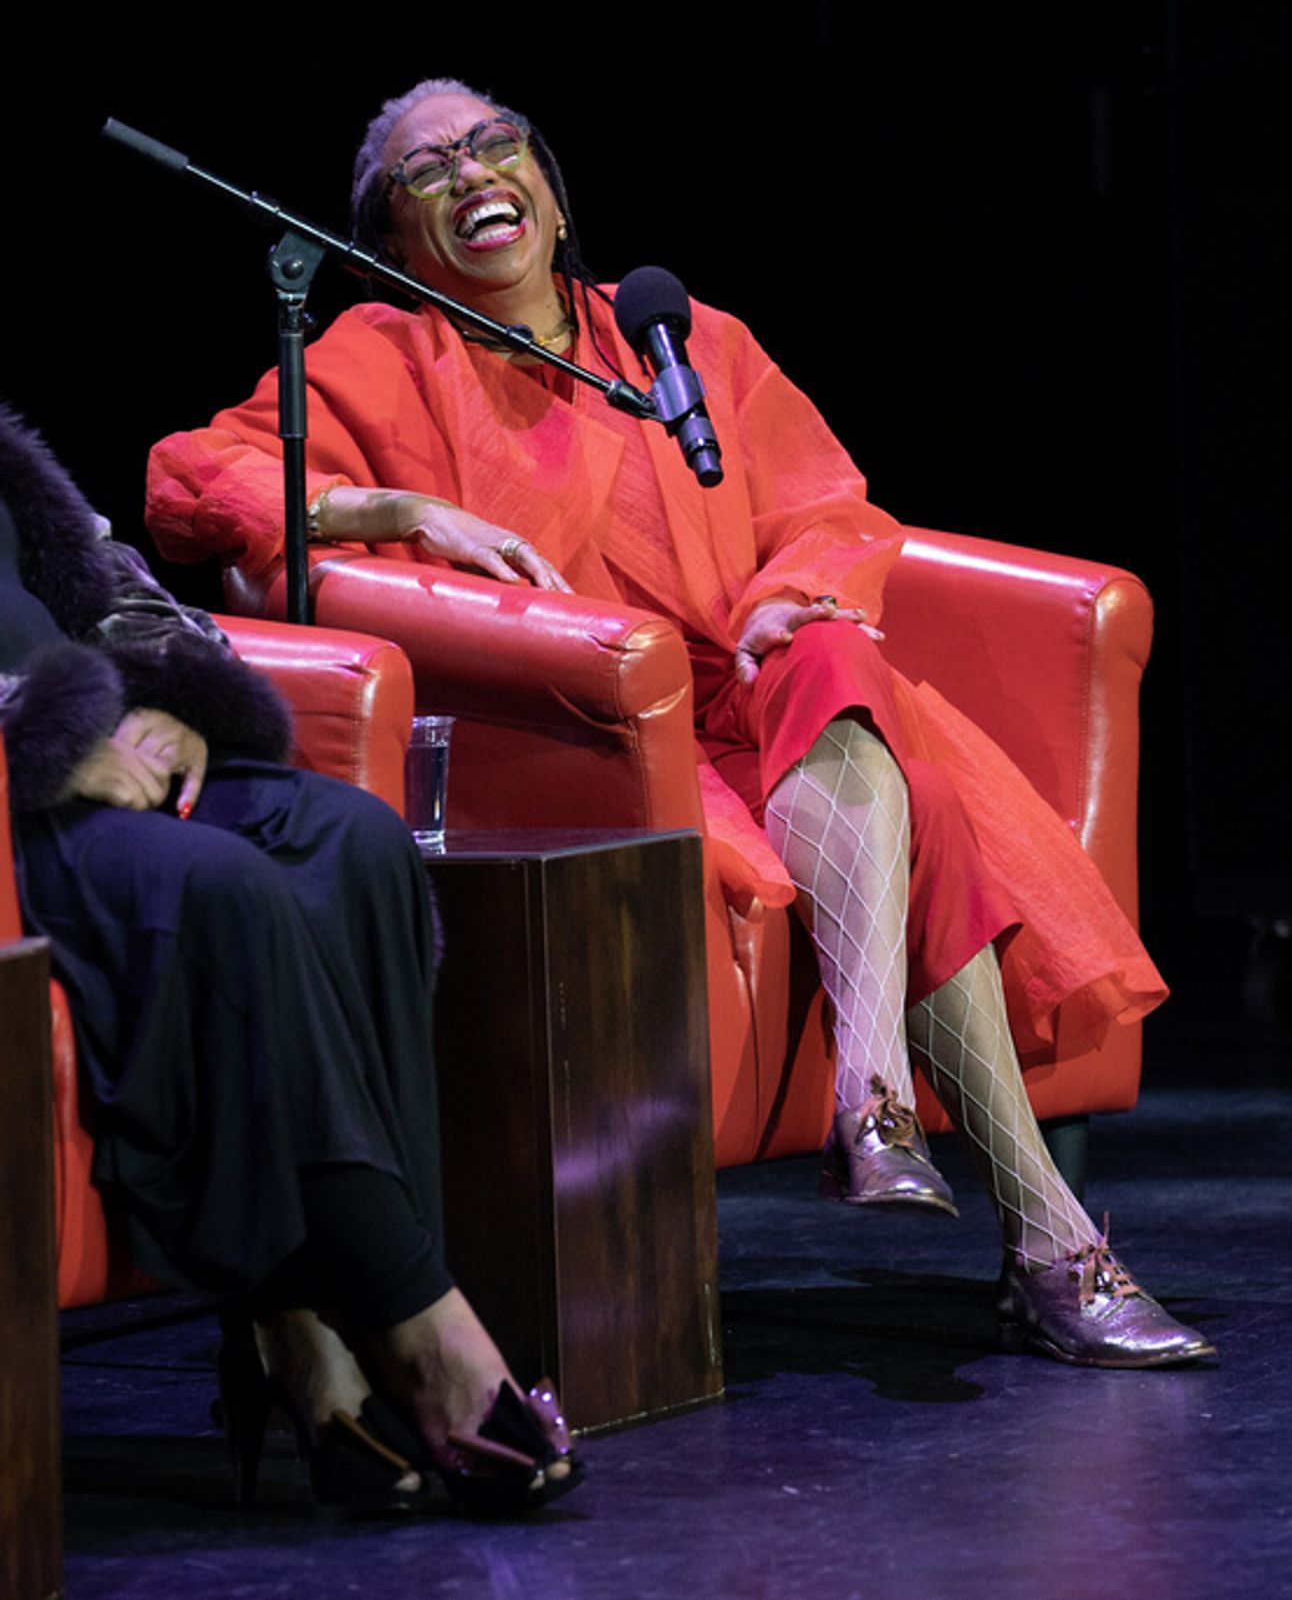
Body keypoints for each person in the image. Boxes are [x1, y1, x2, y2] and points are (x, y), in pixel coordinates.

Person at [148, 78, 1215, 1369]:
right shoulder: (378, 357)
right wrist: (397, 512)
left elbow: (829, 508)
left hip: (761, 699)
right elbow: (198, 475)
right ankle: (1043, 1241)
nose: (473, 173)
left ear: (547, 183)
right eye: (429, 170)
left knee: (828, 643)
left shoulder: (680, 338)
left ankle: (879, 1098)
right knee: (927, 809)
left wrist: (782, 602)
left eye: (497, 146)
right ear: (393, 234)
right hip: (592, 737)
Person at [0, 400, 579, 1510]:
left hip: (94, 754)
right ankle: (420, 1333)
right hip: (16, 812)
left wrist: (174, 708)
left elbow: (111, 590)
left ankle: (311, 1341)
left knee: (351, 840)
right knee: (223, 890)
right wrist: (38, 741)